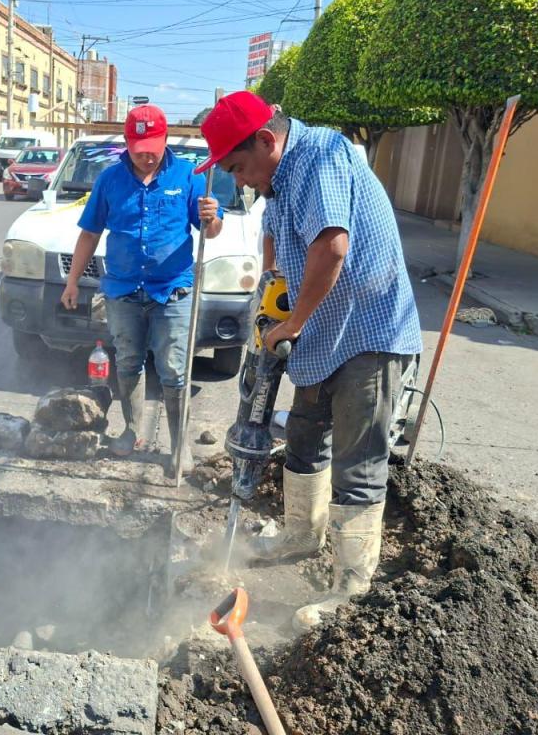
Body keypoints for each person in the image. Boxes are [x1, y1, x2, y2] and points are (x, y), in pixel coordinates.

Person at [197, 92, 422, 631]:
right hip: (324, 332)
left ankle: (352, 584)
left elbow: (332, 247)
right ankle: (302, 534)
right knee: (303, 433)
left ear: (267, 141)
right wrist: (270, 294)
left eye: (240, 167)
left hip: (370, 332)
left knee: (357, 456)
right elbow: (275, 236)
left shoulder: (322, 157)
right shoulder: (279, 177)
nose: (242, 181)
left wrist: (291, 323)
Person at [61, 104, 222, 477]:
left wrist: (211, 219)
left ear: (166, 140)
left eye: (152, 146)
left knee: (174, 371)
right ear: (127, 143)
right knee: (129, 362)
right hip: (123, 290)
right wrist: (72, 281)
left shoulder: (190, 176)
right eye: (138, 147)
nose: (145, 155)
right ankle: (132, 430)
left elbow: (208, 232)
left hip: (173, 291)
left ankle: (179, 445)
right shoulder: (110, 180)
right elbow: (90, 232)